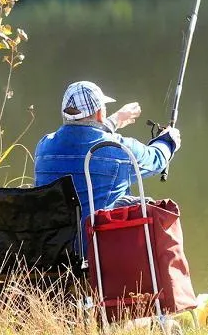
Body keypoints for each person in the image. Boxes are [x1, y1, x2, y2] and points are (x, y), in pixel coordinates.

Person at [33, 80, 181, 226]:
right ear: (99, 114)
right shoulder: (121, 150)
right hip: (98, 247)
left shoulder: (43, 147)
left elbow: (82, 137)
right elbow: (157, 159)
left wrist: (114, 121)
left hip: (53, 246)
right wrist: (168, 139)